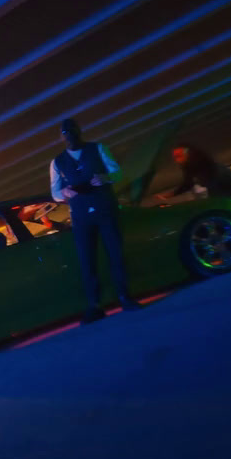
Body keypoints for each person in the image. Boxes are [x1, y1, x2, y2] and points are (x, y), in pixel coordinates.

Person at [49, 118, 141, 324]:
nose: (69, 136)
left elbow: (117, 172)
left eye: (72, 131)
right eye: (65, 133)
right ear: (62, 137)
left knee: (115, 253)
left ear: (79, 131)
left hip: (105, 208)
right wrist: (64, 192)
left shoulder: (98, 148)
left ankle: (124, 297)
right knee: (86, 260)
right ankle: (95, 305)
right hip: (81, 214)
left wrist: (106, 178)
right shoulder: (57, 162)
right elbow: (54, 192)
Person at [158, 143, 231, 201]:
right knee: (224, 199)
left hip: (220, 177)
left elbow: (190, 182)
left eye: (178, 156)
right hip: (219, 178)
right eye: (175, 158)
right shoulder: (189, 165)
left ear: (187, 154)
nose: (177, 160)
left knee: (224, 199)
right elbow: (188, 183)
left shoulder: (196, 162)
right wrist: (172, 194)